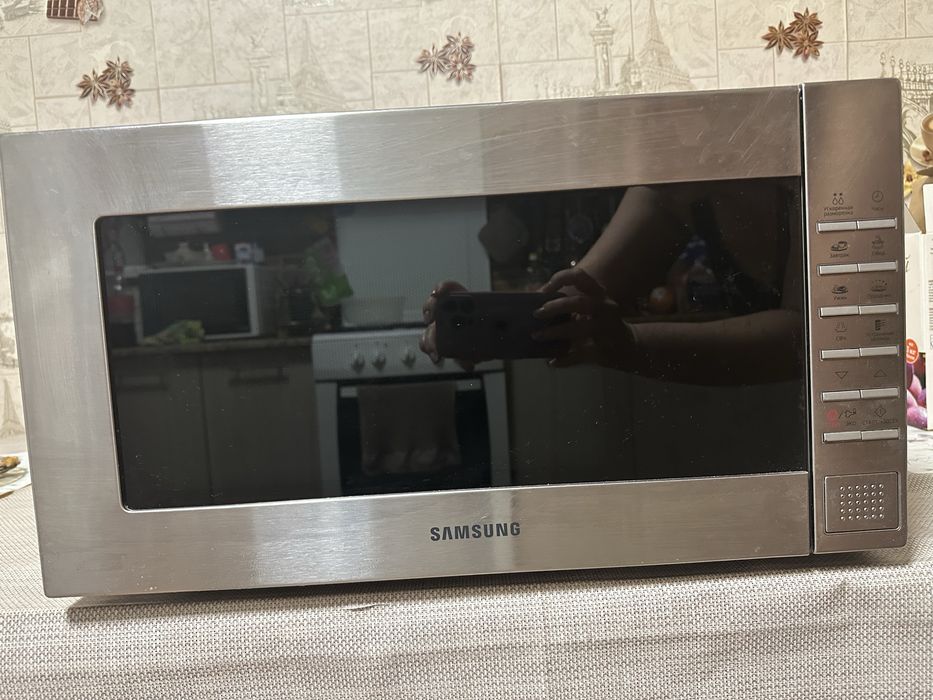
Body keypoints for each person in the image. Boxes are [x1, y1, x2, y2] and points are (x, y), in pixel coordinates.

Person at [421, 181, 803, 385]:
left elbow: (804, 338)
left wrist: (630, 344)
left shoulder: (803, 177)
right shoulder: (672, 184)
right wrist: (490, 323)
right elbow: (571, 302)